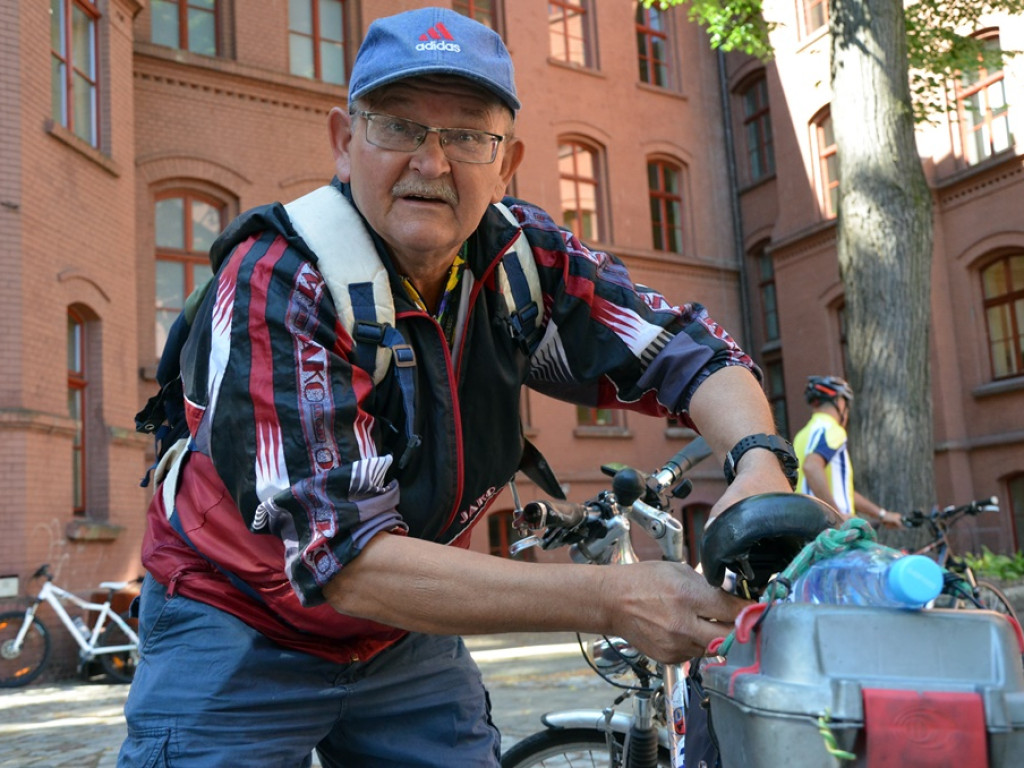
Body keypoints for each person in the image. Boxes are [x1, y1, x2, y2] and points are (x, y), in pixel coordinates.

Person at [119, 8, 796, 767]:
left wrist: (760, 461)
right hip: (235, 618)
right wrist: (615, 598)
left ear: (507, 162)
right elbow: (345, 560)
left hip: (402, 631)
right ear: (346, 143)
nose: (432, 163)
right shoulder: (281, 280)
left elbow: (691, 352)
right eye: (400, 127)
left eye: (468, 134)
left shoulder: (522, 257)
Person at [793, 375, 902, 529]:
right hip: (831, 529)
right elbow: (811, 467)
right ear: (839, 402)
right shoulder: (832, 430)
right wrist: (837, 516)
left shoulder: (802, 436)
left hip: (808, 527)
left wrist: (882, 515)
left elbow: (843, 490)